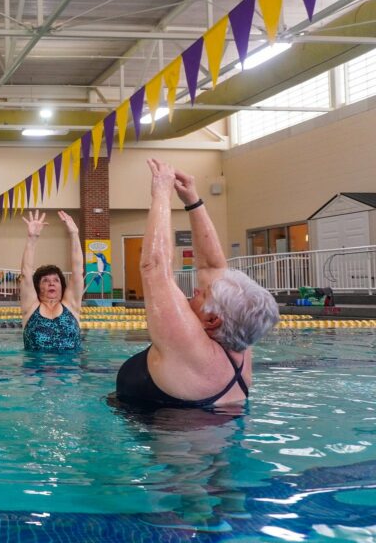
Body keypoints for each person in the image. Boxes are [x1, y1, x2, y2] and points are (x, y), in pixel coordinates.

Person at [115, 159, 279, 408]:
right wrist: (192, 200)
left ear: (213, 320)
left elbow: (154, 269)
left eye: (203, 295)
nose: (196, 290)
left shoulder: (189, 345)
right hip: (218, 436)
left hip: (170, 439)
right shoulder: (240, 346)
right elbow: (213, 267)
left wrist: (161, 193)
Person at [19, 209, 84, 351]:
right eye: (45, 280)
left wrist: (74, 234)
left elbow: (78, 271)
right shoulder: (30, 307)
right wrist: (32, 238)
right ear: (37, 286)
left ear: (62, 286)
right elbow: (26, 274)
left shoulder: (71, 305)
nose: (51, 283)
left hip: (70, 371)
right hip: (36, 371)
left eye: (56, 280)